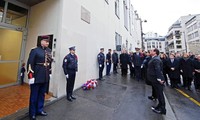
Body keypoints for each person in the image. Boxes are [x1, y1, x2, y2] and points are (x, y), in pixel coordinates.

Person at [27, 35, 52, 120]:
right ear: (41, 42)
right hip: (36, 77)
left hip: (45, 77)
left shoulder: (49, 51)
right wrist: (31, 77)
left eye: (48, 42)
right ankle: (32, 113)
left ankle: (39, 110)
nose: (47, 43)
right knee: (34, 96)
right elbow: (30, 64)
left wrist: (50, 73)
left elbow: (49, 63)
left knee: (42, 95)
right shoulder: (35, 51)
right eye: (46, 41)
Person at [147, 48, 166, 115]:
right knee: (158, 94)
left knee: (160, 95)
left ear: (155, 52)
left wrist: (159, 79)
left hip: (157, 80)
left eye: (151, 50)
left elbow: (158, 70)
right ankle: (159, 106)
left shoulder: (156, 59)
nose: (150, 51)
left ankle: (162, 109)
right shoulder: (154, 58)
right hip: (154, 79)